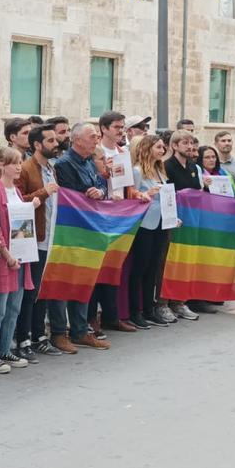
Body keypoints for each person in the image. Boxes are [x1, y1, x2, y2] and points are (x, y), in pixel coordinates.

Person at [53, 122, 111, 350]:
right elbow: (69, 197)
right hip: (70, 231)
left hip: (88, 229)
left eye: (97, 135)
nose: (96, 138)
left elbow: (99, 186)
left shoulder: (89, 162)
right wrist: (89, 195)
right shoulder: (64, 164)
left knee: (83, 280)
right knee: (63, 281)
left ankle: (80, 329)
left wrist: (101, 192)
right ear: (76, 140)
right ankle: (59, 332)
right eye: (92, 135)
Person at [0, 148, 39, 373]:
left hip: (20, 257)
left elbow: (21, 223)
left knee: (14, 307)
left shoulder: (14, 190)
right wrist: (7, 255)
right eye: (14, 163)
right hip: (3, 259)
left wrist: (30, 208)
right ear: (1, 165)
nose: (18, 167)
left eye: (20, 162)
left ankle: (5, 349)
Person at [17, 125, 67, 355]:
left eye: (55, 140)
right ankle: (24, 338)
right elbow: (19, 202)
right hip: (32, 239)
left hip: (50, 236)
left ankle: (38, 335)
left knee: (41, 290)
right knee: (30, 291)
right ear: (37, 145)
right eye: (50, 141)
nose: (55, 144)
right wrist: (44, 192)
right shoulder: (26, 169)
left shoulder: (51, 168)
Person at [94, 112, 140, 332]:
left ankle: (113, 315)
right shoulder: (97, 152)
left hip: (120, 213)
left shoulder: (123, 152)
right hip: (101, 212)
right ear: (103, 128)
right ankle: (93, 317)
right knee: (97, 267)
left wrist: (137, 195)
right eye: (116, 127)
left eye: (122, 127)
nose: (121, 131)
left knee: (114, 266)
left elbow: (127, 184)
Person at [129, 134, 174, 329]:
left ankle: (149, 308)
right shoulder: (137, 171)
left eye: (163, 147)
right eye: (158, 147)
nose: (162, 151)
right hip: (145, 225)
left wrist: (173, 216)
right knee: (140, 268)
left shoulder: (160, 171)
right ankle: (135, 311)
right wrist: (146, 195)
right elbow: (131, 197)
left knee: (154, 269)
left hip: (161, 224)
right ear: (148, 148)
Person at [162, 130, 206, 320]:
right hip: (174, 222)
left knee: (186, 261)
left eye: (191, 143)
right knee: (169, 262)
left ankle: (180, 301)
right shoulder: (166, 166)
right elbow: (166, 195)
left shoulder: (195, 167)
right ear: (174, 146)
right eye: (185, 143)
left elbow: (199, 193)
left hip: (192, 221)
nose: (190, 147)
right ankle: (163, 303)